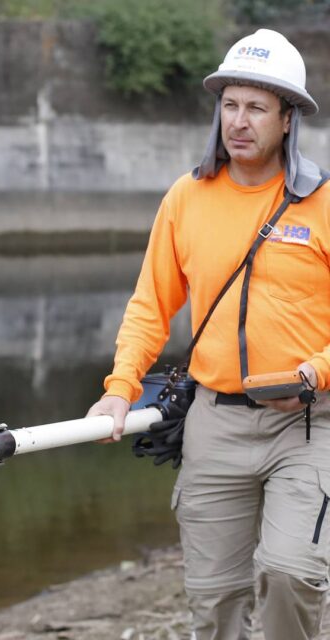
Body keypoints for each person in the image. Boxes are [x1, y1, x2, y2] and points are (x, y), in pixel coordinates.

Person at [87, 29, 330, 640]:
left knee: (289, 573)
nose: (238, 122)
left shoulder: (321, 204)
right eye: (229, 105)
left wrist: (315, 372)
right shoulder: (185, 198)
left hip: (308, 423)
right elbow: (150, 305)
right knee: (213, 601)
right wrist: (120, 389)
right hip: (214, 424)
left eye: (255, 107)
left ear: (288, 118)